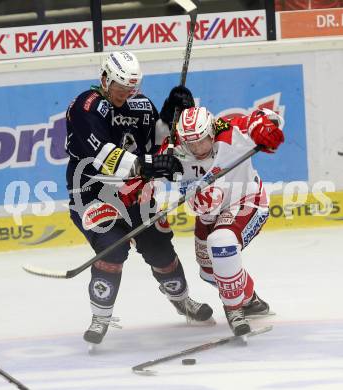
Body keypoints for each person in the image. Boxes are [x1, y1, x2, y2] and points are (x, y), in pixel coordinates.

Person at [65, 51, 213, 345]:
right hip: (93, 195)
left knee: (160, 250)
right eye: (120, 88)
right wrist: (146, 165)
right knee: (112, 250)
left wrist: (173, 111)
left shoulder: (140, 103)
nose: (125, 94)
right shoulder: (86, 107)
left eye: (131, 88)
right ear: (104, 79)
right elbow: (102, 155)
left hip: (136, 195)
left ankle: (182, 300)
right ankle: (101, 316)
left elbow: (157, 138)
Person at [158, 106, 284, 336]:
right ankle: (248, 299)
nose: (197, 148)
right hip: (208, 213)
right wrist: (158, 165)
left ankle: (234, 310)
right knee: (208, 271)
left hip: (244, 201)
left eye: (202, 141)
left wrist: (265, 129)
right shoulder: (175, 149)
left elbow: (270, 119)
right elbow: (149, 165)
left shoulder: (232, 133)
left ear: (212, 131)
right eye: (191, 143)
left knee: (221, 243)